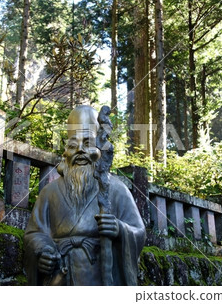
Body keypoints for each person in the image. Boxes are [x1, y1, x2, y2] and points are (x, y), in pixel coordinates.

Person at [24, 105, 146, 285]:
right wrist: (44, 251)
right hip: (60, 278)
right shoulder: (49, 192)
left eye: (88, 144)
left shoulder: (117, 189)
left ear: (100, 149)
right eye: (73, 145)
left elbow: (139, 232)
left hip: (99, 276)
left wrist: (119, 229)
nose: (80, 150)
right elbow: (33, 233)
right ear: (66, 153)